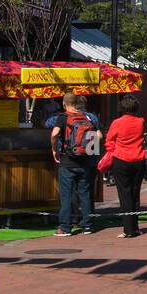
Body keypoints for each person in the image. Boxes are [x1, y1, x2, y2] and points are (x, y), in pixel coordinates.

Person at [50, 92, 102, 237]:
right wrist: (89, 151)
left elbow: (54, 134)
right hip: (85, 161)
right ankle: (88, 226)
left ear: (64, 104)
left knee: (66, 194)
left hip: (68, 161)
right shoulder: (87, 117)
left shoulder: (63, 117)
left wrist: (55, 150)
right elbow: (99, 136)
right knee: (85, 193)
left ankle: (65, 227)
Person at [104, 95, 147, 239]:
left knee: (125, 194)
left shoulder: (117, 122)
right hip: (138, 159)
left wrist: (114, 150)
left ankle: (128, 229)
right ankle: (135, 227)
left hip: (122, 159)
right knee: (135, 194)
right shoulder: (141, 121)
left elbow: (109, 140)